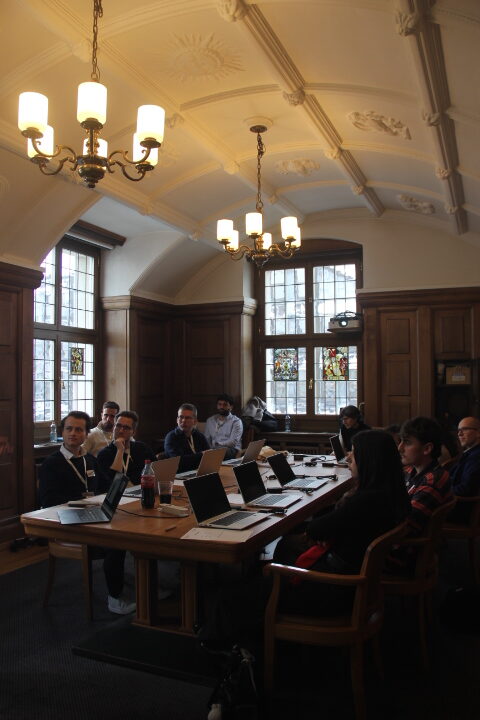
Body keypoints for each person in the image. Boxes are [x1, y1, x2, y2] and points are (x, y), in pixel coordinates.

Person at [38, 411, 135, 615]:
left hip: (93, 517)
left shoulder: (89, 460)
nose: (73, 433)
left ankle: (145, 586)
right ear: (62, 432)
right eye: (69, 429)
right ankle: (115, 598)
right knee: (116, 543)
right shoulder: (51, 464)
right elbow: (48, 503)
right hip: (67, 524)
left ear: (86, 434)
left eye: (78, 429)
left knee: (130, 530)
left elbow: (104, 487)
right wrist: (83, 502)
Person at [398, 416, 453, 537]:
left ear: (427, 449)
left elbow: (407, 523)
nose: (400, 448)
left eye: (407, 442)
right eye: (400, 441)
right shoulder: (409, 470)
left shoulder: (434, 479)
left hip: (408, 543)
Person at [97, 410, 156, 486]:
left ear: (133, 432)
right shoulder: (104, 454)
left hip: (141, 489)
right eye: (118, 426)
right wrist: (120, 450)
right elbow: (114, 481)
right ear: (113, 428)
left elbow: (157, 470)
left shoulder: (142, 448)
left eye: (126, 428)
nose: (121, 431)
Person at [447, 416, 480, 523]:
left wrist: (442, 492)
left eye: (464, 429)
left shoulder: (476, 457)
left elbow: (465, 489)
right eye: (458, 430)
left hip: (460, 510)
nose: (459, 434)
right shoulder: (470, 453)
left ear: (478, 433)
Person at [164, 403, 209, 472]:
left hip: (199, 471)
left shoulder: (199, 436)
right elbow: (179, 461)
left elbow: (209, 455)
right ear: (177, 420)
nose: (183, 420)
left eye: (188, 418)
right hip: (179, 474)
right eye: (181, 417)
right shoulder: (171, 437)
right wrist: (201, 454)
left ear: (195, 421)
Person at [204, 394, 243, 461]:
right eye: (219, 404)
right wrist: (209, 449)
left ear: (231, 407)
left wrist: (217, 444)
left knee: (219, 452)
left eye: (225, 405)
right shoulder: (210, 420)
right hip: (213, 449)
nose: (221, 407)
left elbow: (233, 442)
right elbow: (207, 439)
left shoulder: (236, 422)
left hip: (231, 449)